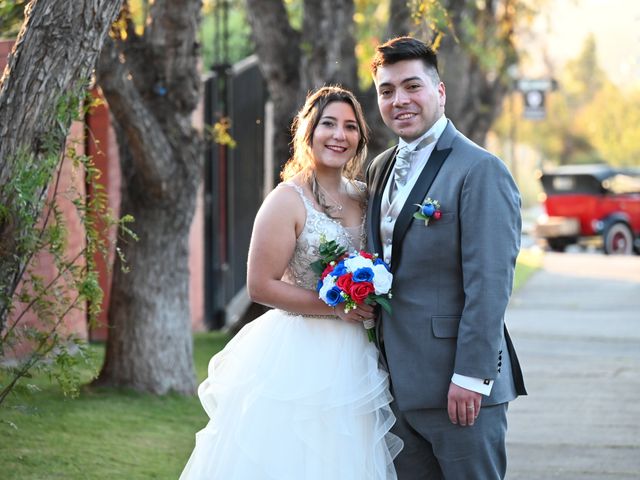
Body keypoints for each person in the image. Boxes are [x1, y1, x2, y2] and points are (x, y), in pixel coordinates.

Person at [179, 86, 402, 480]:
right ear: (308, 132)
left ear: (360, 139)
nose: (339, 135)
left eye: (350, 127)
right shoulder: (286, 200)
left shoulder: (367, 196)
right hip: (301, 354)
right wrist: (335, 306)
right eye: (328, 124)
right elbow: (260, 286)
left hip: (360, 355)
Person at [365, 36, 527, 479]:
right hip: (393, 386)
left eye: (412, 86)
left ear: (440, 92)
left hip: (459, 390)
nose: (399, 100)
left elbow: (490, 284)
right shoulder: (379, 168)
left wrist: (471, 376)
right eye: (387, 90)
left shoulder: (480, 169)